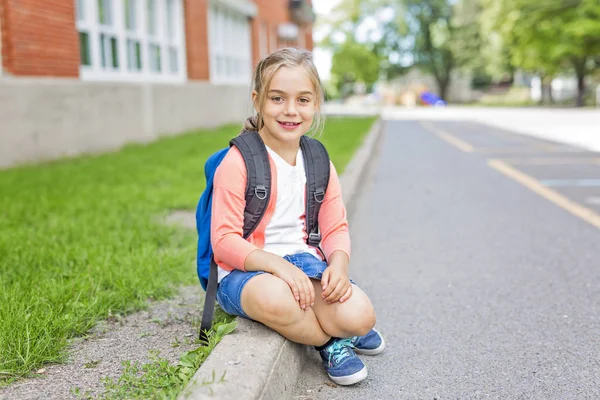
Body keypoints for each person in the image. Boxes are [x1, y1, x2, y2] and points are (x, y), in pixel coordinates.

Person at [210, 47, 384, 386]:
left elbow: (335, 226)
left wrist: (338, 264)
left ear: (316, 102)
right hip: (247, 273)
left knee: (362, 317)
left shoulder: (318, 161)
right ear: (257, 100)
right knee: (280, 301)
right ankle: (331, 342)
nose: (290, 110)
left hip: (304, 262)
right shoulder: (237, 162)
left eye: (303, 100)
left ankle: (343, 325)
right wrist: (280, 268)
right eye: (277, 98)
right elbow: (224, 243)